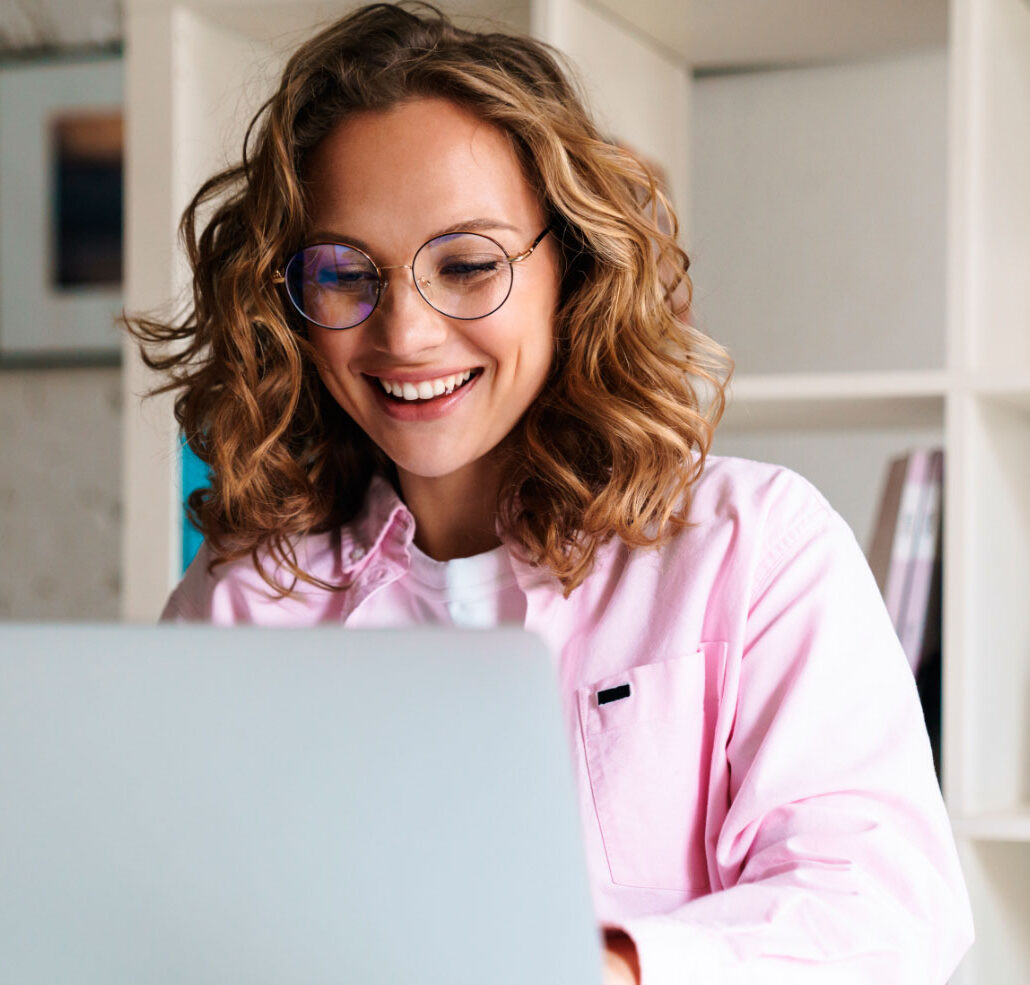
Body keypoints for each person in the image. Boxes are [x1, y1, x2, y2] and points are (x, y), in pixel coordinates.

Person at [128, 3, 975, 981]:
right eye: (342, 273)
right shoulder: (244, 597)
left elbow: (884, 906)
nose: (404, 334)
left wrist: (602, 969)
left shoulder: (754, 547)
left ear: (568, 268)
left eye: (468, 265)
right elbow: (173, 915)